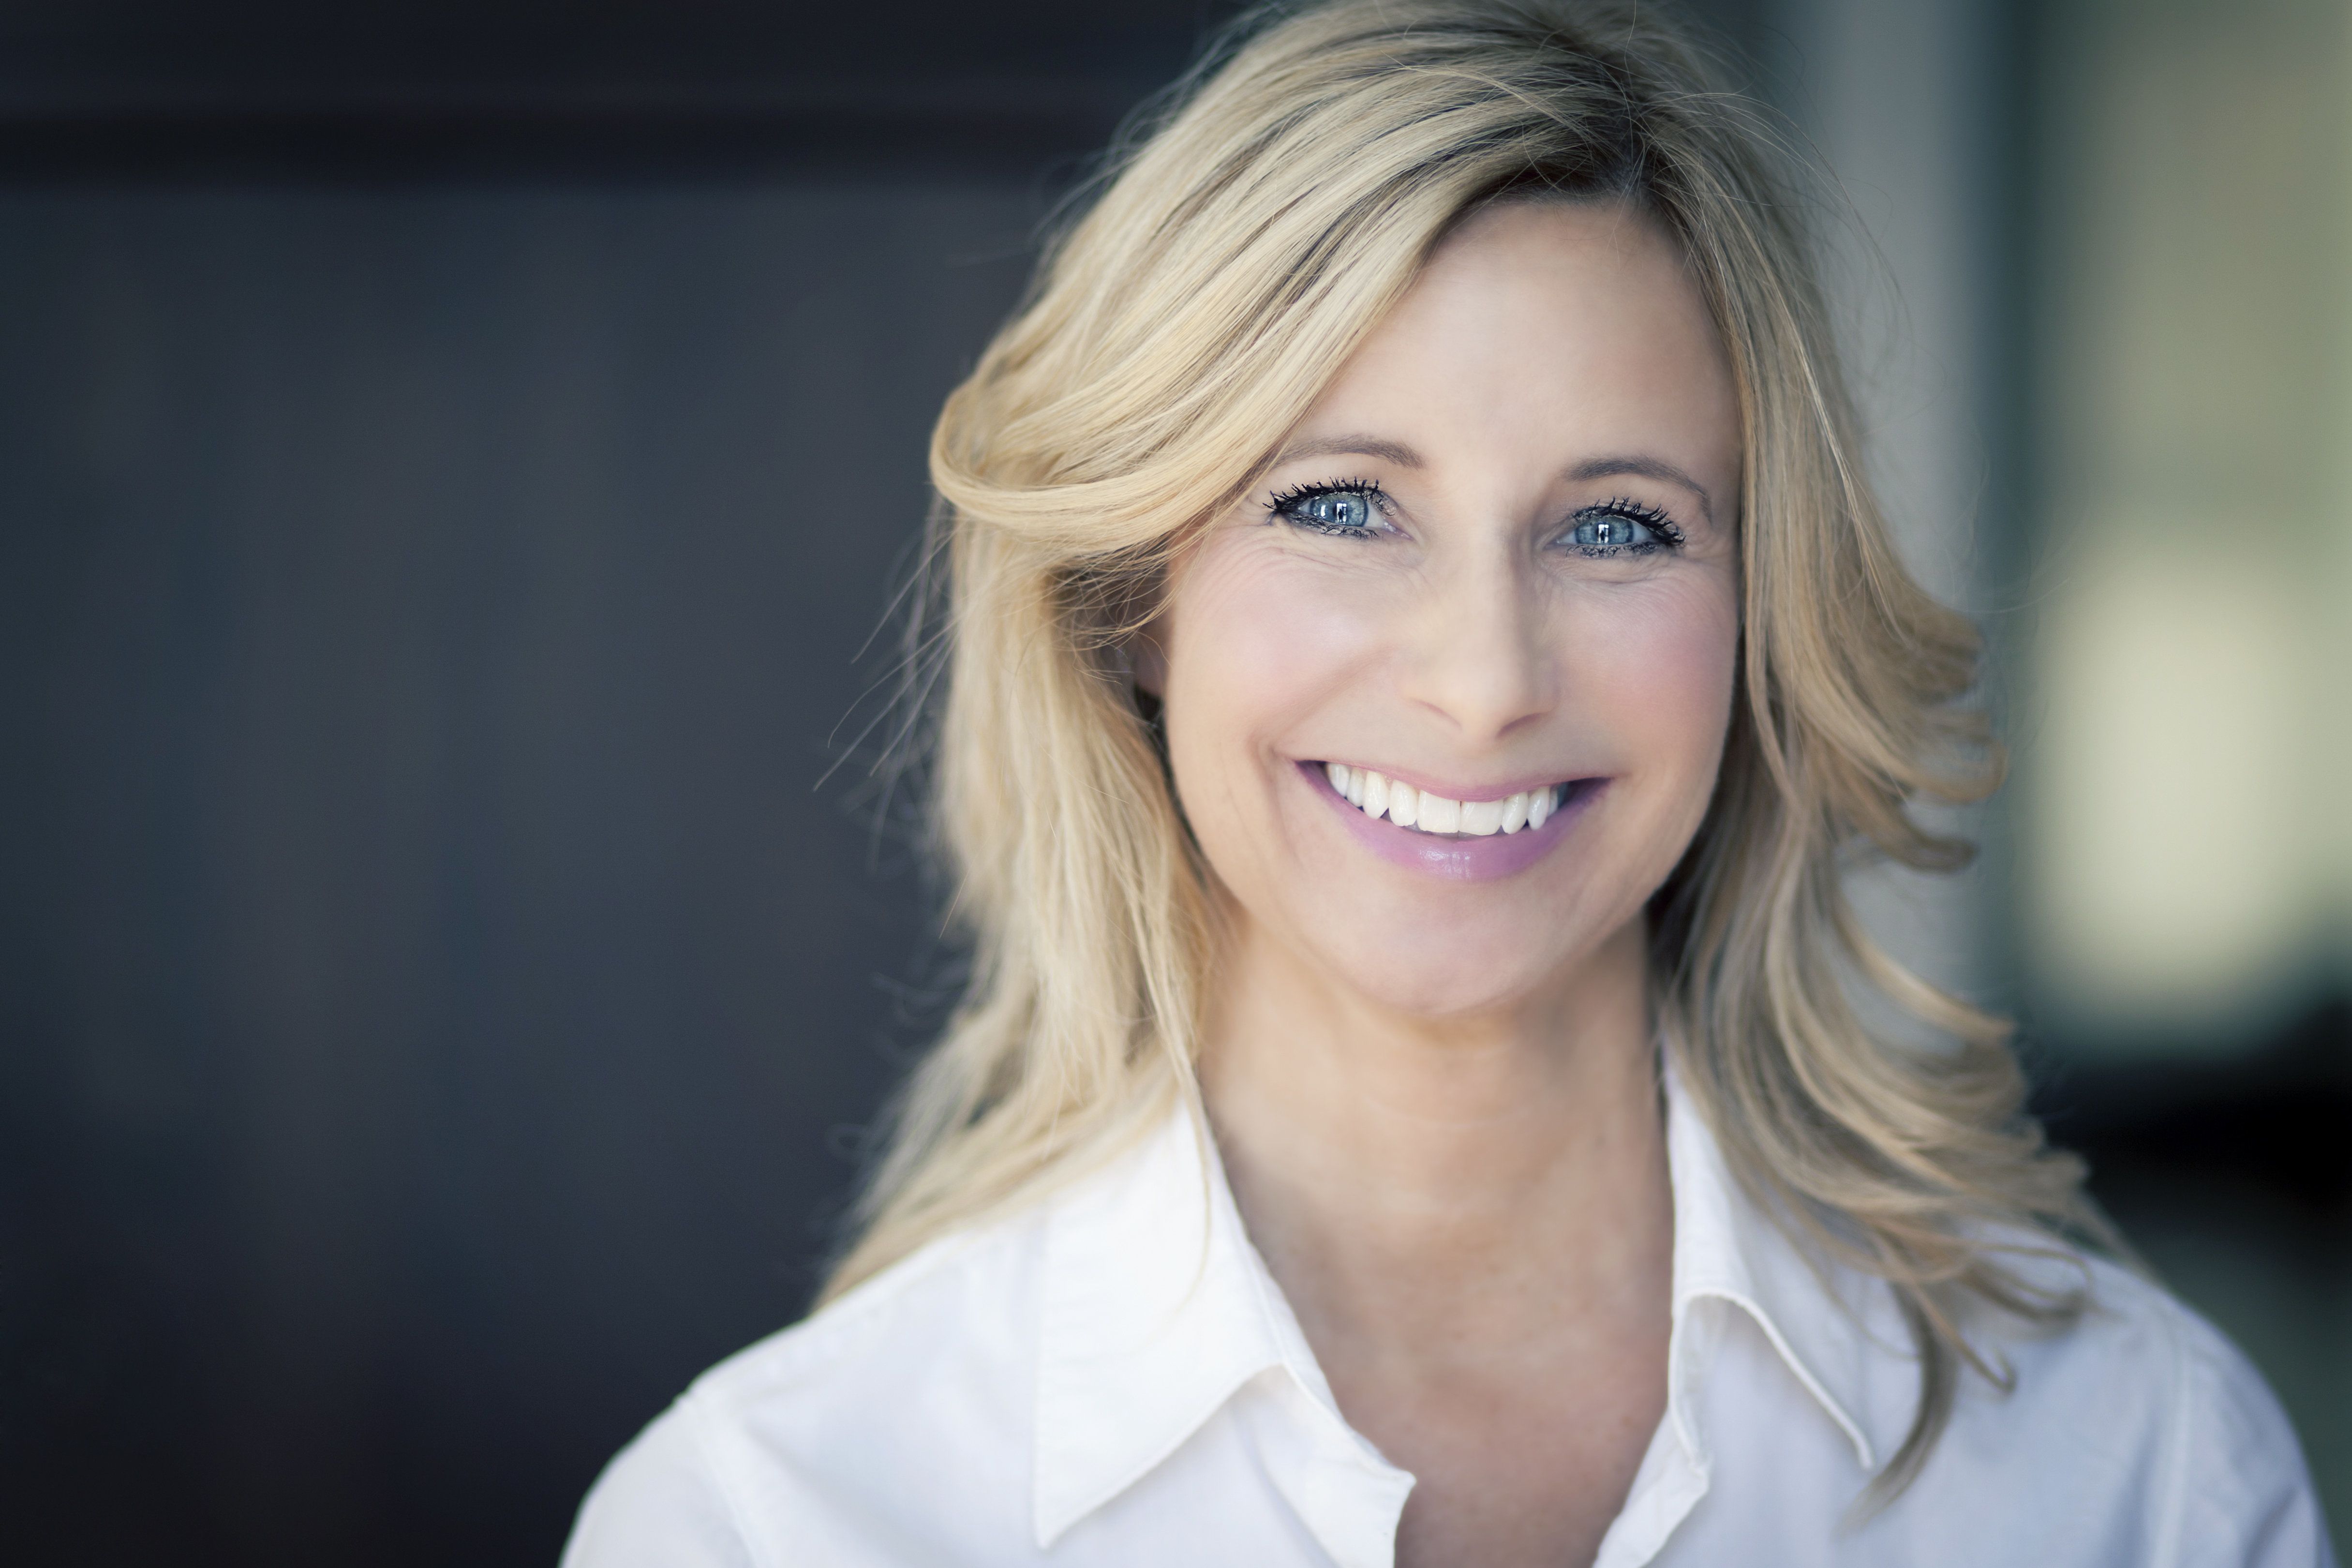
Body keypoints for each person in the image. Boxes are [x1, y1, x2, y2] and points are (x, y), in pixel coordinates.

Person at [561, 2, 2334, 1563]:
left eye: (1619, 525)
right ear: (1130, 602)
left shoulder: (2138, 1472)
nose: (1485, 681)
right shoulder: (774, 1519)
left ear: (1761, 624)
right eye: (1342, 505)